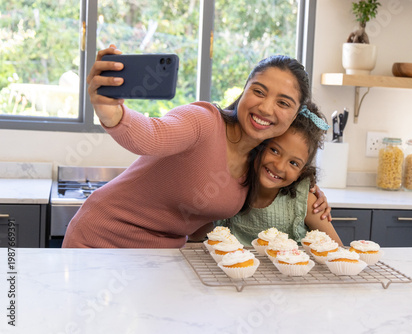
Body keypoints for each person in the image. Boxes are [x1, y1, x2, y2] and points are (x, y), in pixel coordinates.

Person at [62, 45, 331, 248]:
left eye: (283, 102)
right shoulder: (203, 121)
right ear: (244, 90)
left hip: (160, 260)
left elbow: (202, 219)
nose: (265, 107)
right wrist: (110, 112)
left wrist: (311, 192)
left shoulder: (259, 161)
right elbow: (150, 135)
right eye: (258, 91)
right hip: (100, 241)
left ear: (295, 115)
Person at [215, 101, 342, 247]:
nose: (279, 166)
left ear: (301, 173)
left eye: (293, 163)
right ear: (259, 145)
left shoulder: (306, 203)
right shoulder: (231, 184)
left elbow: (338, 251)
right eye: (274, 151)